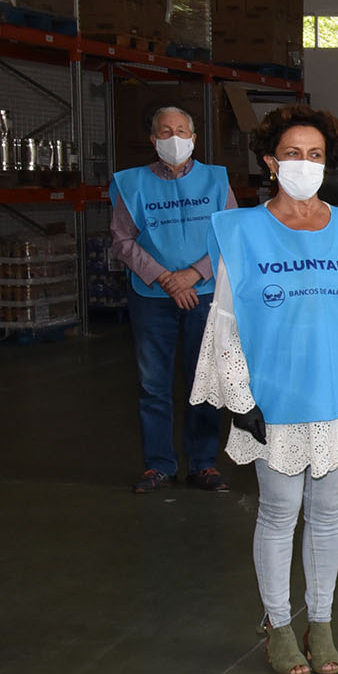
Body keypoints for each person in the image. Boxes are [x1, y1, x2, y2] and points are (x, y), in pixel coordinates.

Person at [189, 105, 338, 674]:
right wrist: (239, 397)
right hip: (275, 397)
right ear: (271, 161)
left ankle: (321, 622)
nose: (305, 163)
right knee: (279, 514)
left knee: (328, 515)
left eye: (316, 154)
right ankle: (279, 624)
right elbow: (225, 320)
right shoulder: (243, 231)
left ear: (328, 164)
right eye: (293, 153)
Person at [110, 105, 237, 494]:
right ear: (153, 139)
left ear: (194, 138)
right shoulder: (132, 184)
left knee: (204, 381)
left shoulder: (216, 181)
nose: (175, 137)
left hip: (203, 293)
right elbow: (122, 240)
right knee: (154, 383)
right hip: (152, 295)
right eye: (165, 131)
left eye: (182, 130)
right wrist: (165, 278)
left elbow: (230, 234)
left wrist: (194, 274)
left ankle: (203, 464)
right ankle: (159, 465)